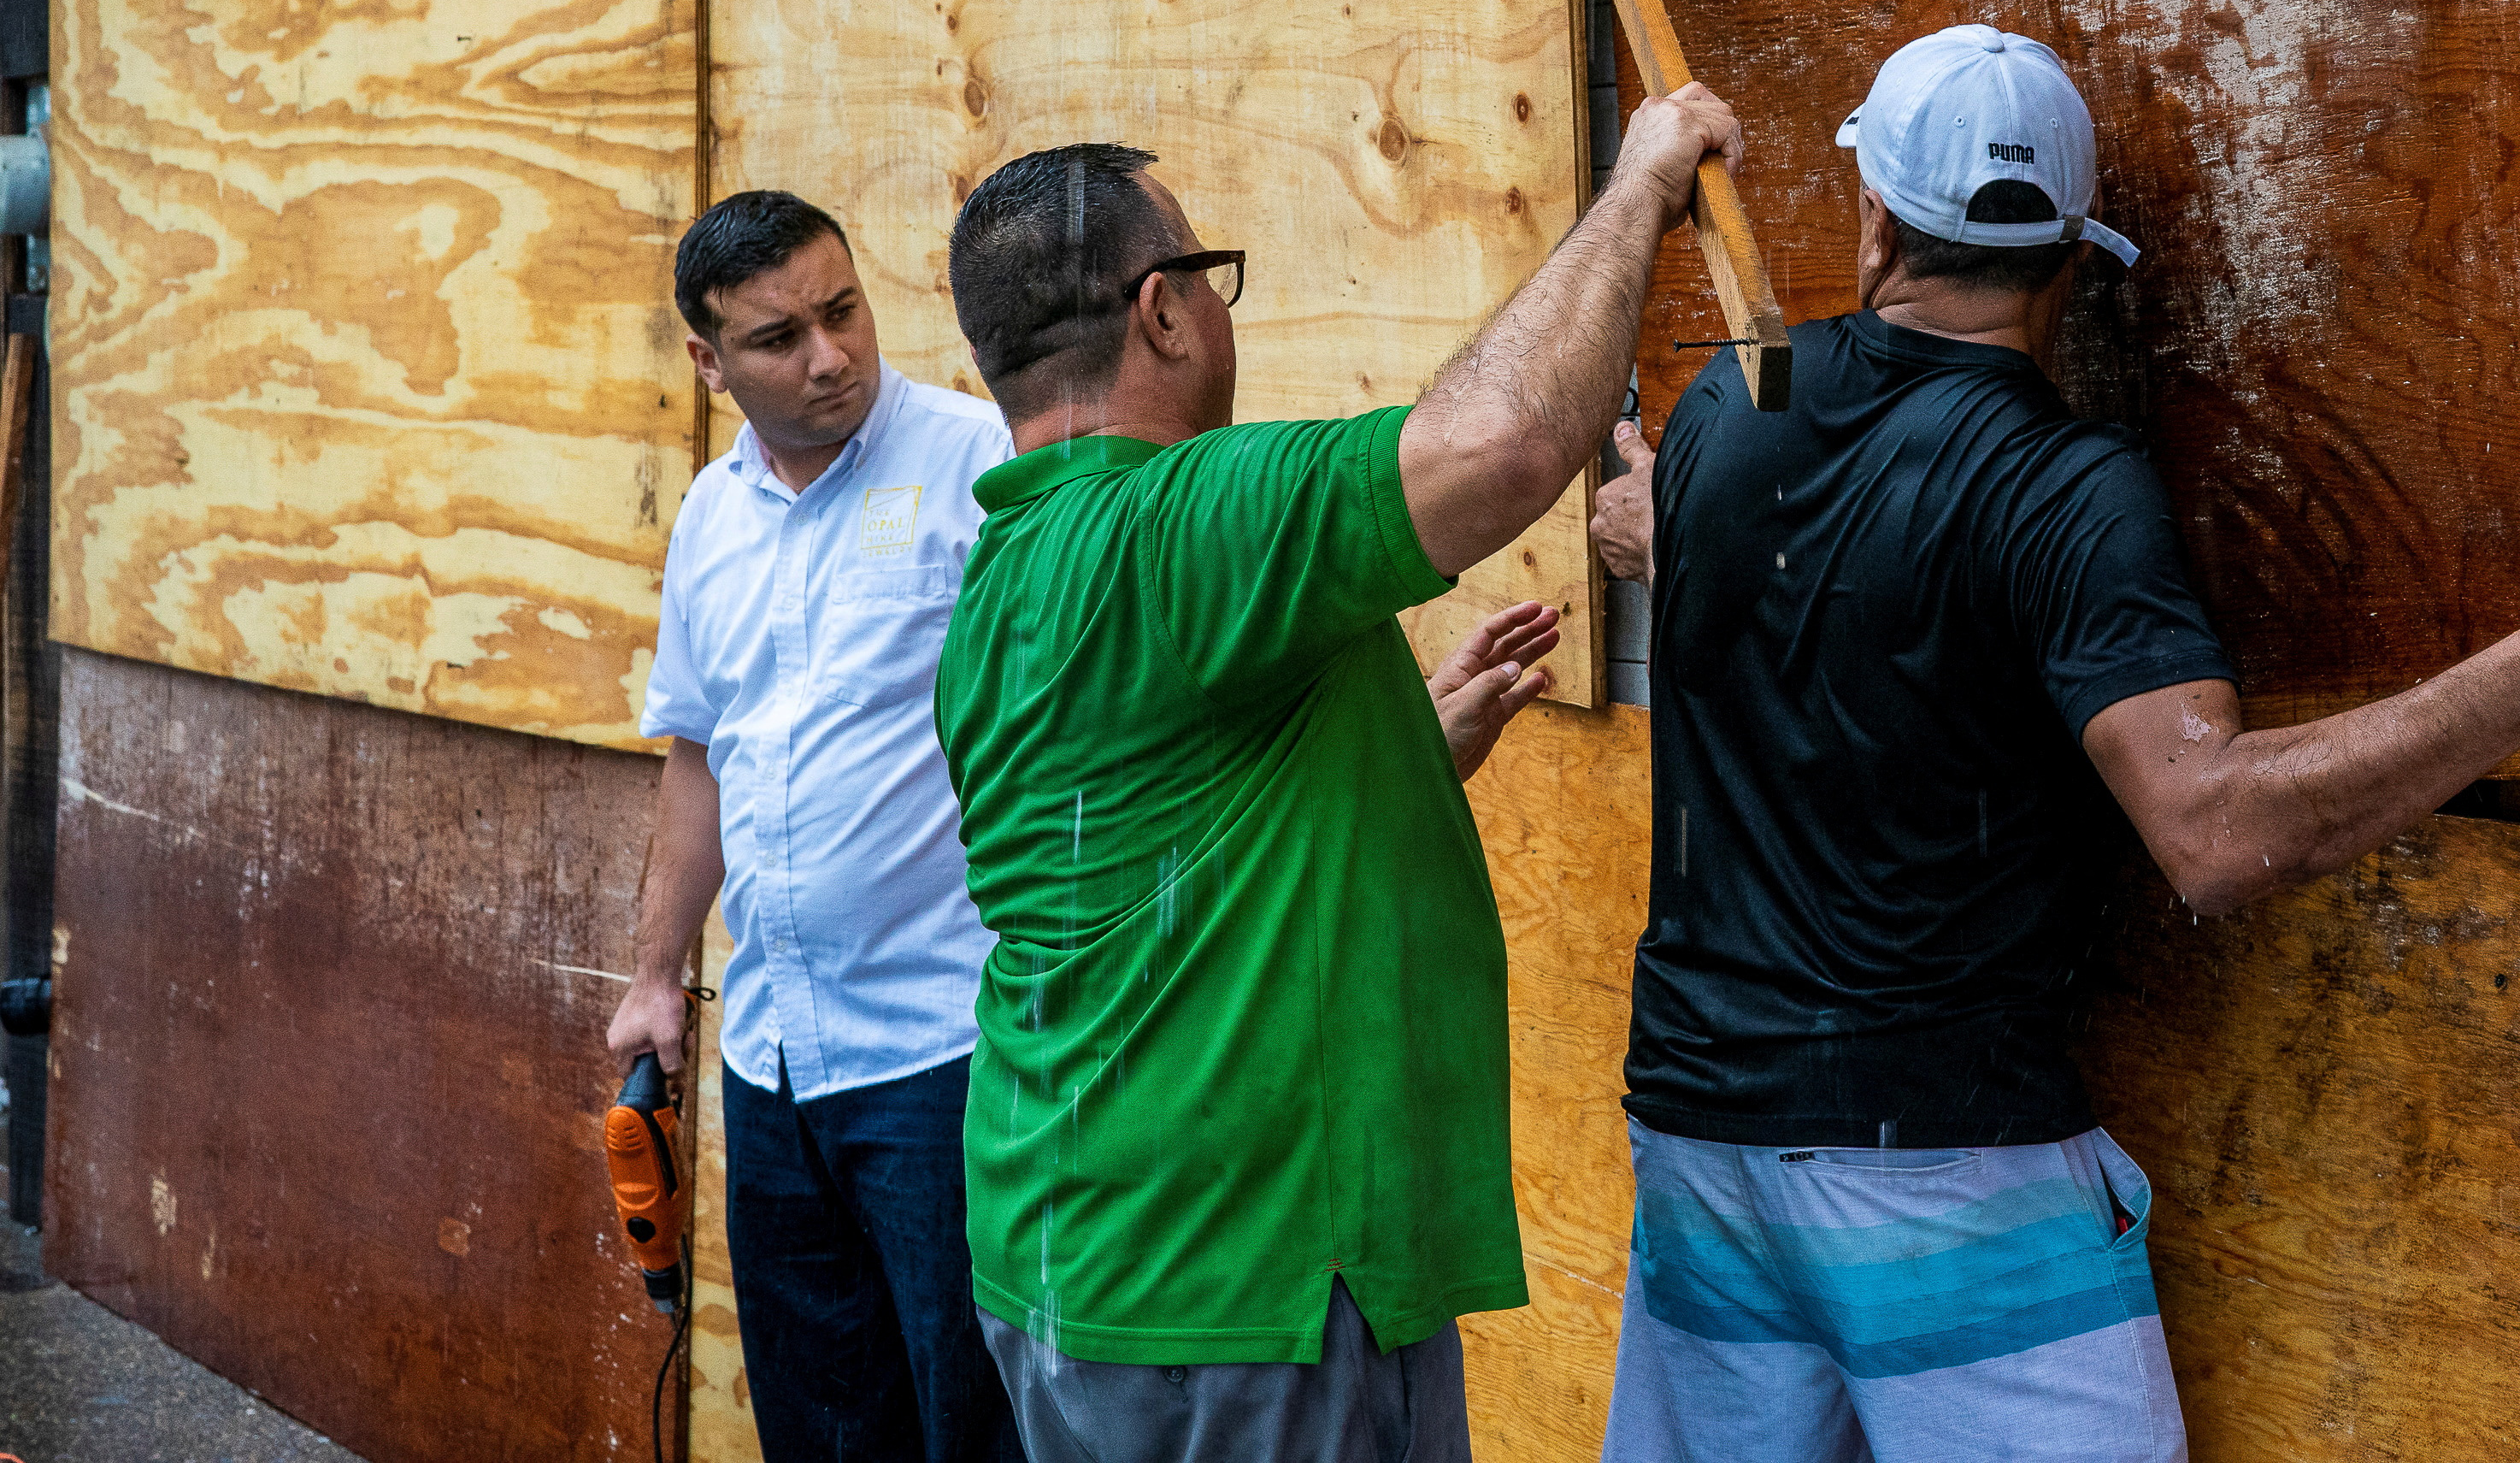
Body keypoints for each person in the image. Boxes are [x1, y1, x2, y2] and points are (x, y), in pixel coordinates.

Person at [1587, 26, 2520, 1463]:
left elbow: (1793, 552)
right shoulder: (2066, 488)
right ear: (2072, 259)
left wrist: (1668, 528)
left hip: (1702, 1155)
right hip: (1946, 1176)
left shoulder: (1741, 403)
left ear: (1874, 220)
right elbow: (2219, 832)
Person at [927, 84, 1742, 1463]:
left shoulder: (1005, 581)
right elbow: (1503, 448)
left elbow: (1149, 845)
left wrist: (1403, 756)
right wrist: (1641, 184)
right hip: (1241, 1291)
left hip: (1081, 1259)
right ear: (1163, 309)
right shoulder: (1176, 520)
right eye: (1210, 275)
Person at [607, 190, 1026, 1463]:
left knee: (976, 1424)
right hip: (776, 1067)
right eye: (780, 336)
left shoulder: (978, 466)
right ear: (708, 358)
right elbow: (701, 758)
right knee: (826, 1428)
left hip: (944, 1056)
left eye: (843, 311)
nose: (830, 353)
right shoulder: (711, 518)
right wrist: (654, 976)